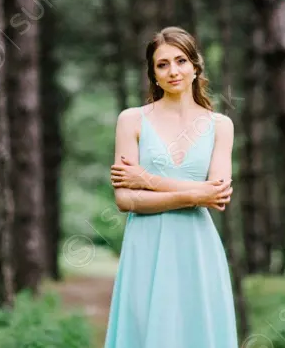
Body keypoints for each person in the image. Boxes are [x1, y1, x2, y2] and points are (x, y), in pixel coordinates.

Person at [104, 26, 239, 348]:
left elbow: (216, 195)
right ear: (153, 73)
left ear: (196, 66)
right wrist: (193, 194)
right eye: (162, 64)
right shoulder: (132, 120)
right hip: (145, 246)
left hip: (197, 246)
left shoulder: (220, 125)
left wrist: (147, 181)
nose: (173, 70)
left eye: (180, 61)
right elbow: (125, 200)